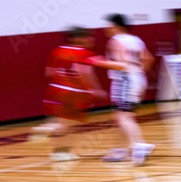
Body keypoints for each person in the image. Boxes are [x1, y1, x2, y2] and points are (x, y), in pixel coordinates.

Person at [33, 27, 124, 162]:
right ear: (78, 38)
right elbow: (84, 73)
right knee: (65, 124)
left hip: (54, 90)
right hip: (72, 92)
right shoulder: (84, 53)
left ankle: (60, 153)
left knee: (61, 122)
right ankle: (45, 129)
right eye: (88, 37)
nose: (91, 40)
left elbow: (48, 72)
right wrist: (94, 89)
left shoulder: (57, 50)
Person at [102, 14, 155, 166]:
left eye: (108, 25)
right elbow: (148, 59)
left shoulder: (115, 41)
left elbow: (121, 65)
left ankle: (139, 146)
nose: (106, 28)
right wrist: (138, 73)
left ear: (117, 26)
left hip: (125, 80)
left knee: (123, 117)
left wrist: (98, 62)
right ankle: (120, 151)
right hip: (137, 79)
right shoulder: (136, 40)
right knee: (122, 117)